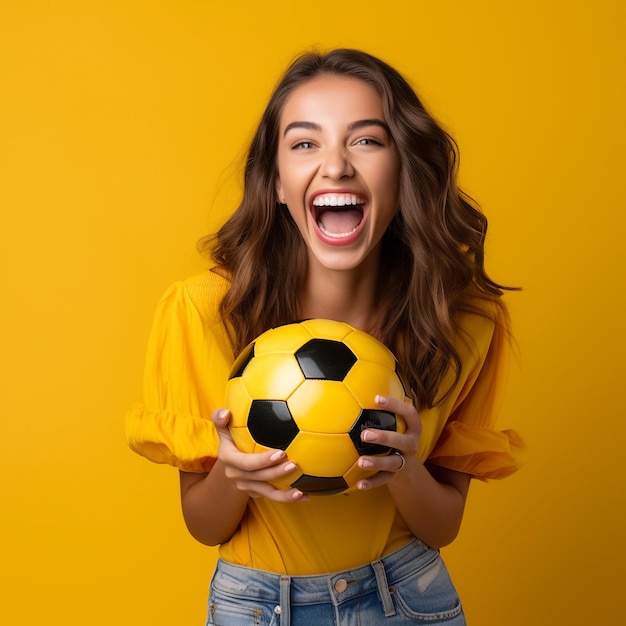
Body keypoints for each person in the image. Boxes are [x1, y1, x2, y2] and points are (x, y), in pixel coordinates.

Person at [126, 48, 525, 625]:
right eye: (305, 143)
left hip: (407, 597)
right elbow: (204, 526)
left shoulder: (463, 322)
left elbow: (443, 527)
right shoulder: (205, 311)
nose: (336, 166)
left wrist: (406, 467)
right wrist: (231, 474)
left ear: (405, 170)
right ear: (279, 184)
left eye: (366, 140)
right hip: (259, 604)